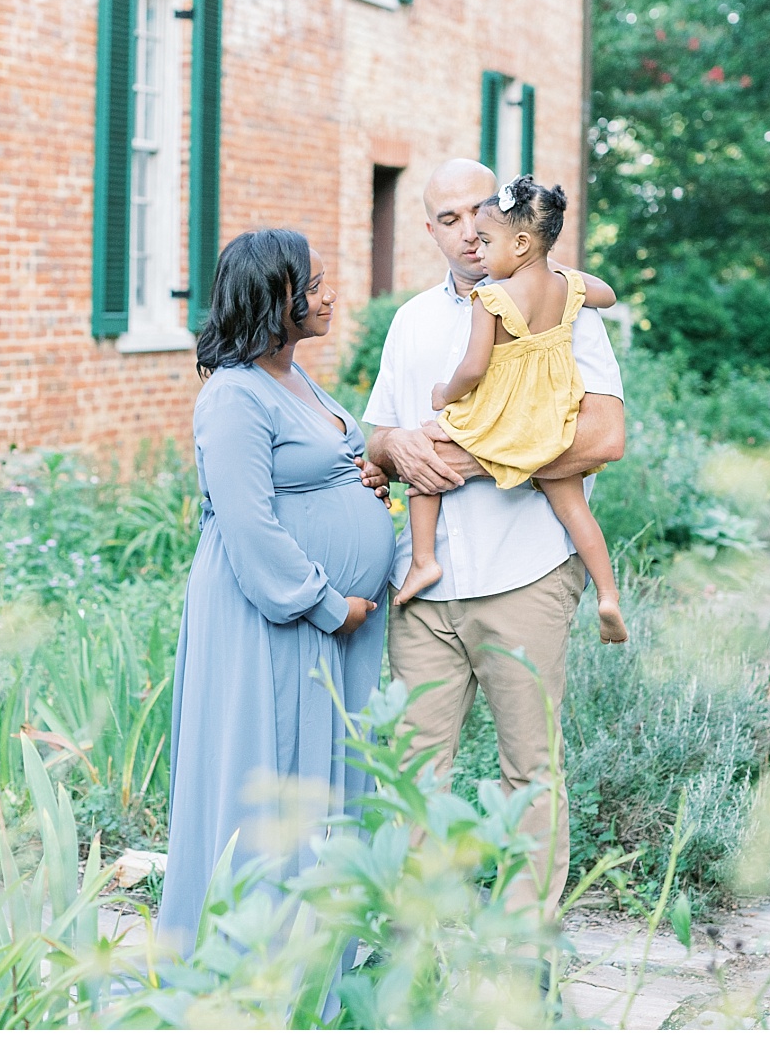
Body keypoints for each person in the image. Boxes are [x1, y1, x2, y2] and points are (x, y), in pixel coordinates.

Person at [363, 159, 626, 917]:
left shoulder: (559, 305)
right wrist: (396, 450)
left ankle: (520, 956)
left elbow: (605, 436)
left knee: (530, 774)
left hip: (527, 576)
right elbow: (381, 431)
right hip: (425, 593)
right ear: (432, 230)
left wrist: (473, 461)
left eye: (480, 208)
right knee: (412, 772)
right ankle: (419, 947)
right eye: (449, 218)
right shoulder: (412, 320)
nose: (468, 228)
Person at [159, 228, 396, 954]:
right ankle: (251, 960)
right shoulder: (233, 395)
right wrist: (331, 603)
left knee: (323, 786)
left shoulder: (293, 378)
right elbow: (249, 527)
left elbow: (324, 466)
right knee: (271, 779)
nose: (329, 295)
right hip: (277, 617)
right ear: (274, 297)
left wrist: (368, 476)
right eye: (314, 284)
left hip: (329, 625)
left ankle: (318, 954)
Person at [396, 175, 629, 647]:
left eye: (486, 240)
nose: (477, 249)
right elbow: (606, 293)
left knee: (429, 447)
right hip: (551, 420)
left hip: (505, 414)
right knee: (575, 509)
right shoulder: (566, 289)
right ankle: (607, 593)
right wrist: (547, 262)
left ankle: (423, 560)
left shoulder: (491, 298)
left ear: (521, 243)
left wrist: (444, 393)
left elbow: (474, 369)